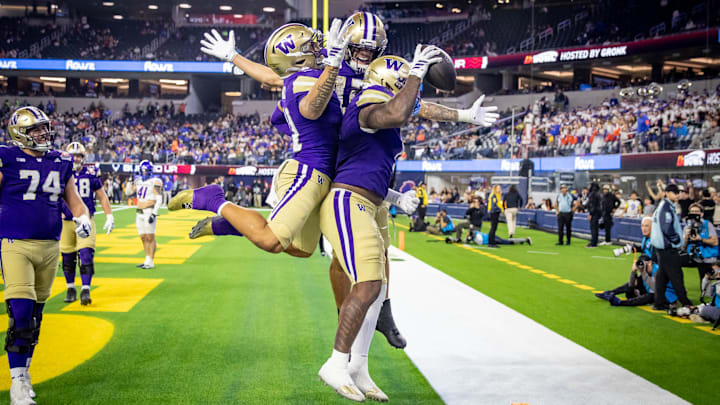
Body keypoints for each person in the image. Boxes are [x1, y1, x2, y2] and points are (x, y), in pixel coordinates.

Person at [316, 53, 449, 401]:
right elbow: (398, 111)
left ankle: (358, 365)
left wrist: (393, 199)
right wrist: (417, 75)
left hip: (370, 201)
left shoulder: (377, 116)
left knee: (378, 289)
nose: (409, 89)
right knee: (368, 284)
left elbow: (367, 168)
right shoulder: (366, 108)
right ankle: (336, 362)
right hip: (349, 203)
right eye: (402, 83)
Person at [1, 106, 92, 404]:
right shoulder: (7, 158)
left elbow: (74, 201)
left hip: (49, 246)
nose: (43, 133)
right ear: (19, 134)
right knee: (22, 315)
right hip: (15, 243)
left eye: (44, 128)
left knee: (35, 318)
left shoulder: (60, 160)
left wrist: (82, 217)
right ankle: (16, 385)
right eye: (35, 130)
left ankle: (24, 375)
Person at [60, 142, 115, 305]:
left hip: (86, 219)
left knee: (86, 255)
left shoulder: (91, 173)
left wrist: (109, 215)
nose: (76, 158)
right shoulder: (61, 172)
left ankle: (85, 289)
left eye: (78, 156)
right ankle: (70, 288)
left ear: (83, 158)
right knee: (67, 257)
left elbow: (102, 195)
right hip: (66, 221)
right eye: (73, 155)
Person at [595, 217, 677, 306]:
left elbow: (657, 259)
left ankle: (620, 301)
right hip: (649, 270)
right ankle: (611, 293)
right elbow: (644, 251)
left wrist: (645, 268)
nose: (644, 228)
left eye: (647, 226)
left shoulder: (657, 242)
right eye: (642, 226)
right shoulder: (645, 239)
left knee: (651, 293)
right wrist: (633, 250)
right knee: (633, 285)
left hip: (659, 275)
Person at [651, 183, 694, 311]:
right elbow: (667, 228)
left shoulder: (665, 206)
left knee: (662, 277)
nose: (677, 195)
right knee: (676, 275)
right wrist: (676, 241)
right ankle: (685, 302)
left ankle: (658, 303)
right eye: (675, 192)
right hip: (667, 248)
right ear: (668, 193)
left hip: (662, 248)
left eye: (678, 192)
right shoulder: (666, 207)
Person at [681, 203, 718, 288]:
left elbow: (715, 242)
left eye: (696, 211)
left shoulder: (707, 224)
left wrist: (700, 238)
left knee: (708, 280)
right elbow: (683, 247)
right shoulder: (687, 226)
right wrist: (686, 237)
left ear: (702, 214)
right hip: (694, 256)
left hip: (708, 256)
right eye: (692, 211)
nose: (694, 213)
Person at [134, 160, 163, 269]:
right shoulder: (138, 181)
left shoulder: (155, 181)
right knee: (143, 237)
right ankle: (147, 259)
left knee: (150, 237)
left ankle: (150, 261)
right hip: (139, 212)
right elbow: (128, 192)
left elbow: (159, 199)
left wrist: (154, 213)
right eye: (143, 171)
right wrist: (130, 180)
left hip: (149, 211)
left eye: (146, 171)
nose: (144, 173)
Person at [586, 183, 602, 248]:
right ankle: (595, 242)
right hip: (598, 213)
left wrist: (590, 214)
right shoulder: (599, 194)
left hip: (594, 213)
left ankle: (593, 243)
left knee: (593, 228)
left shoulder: (592, 194)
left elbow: (592, 205)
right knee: (596, 228)